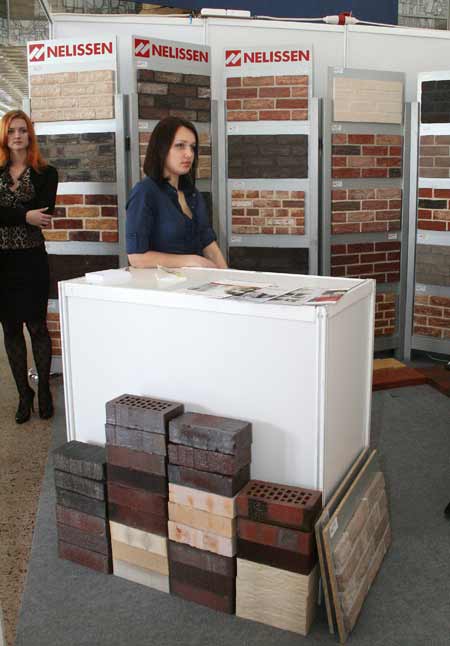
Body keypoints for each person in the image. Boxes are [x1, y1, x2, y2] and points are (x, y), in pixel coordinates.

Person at [0, 110, 58, 423]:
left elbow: (45, 213)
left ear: (30, 135)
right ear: (4, 136)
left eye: (22, 130)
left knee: (37, 326)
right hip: (2, 262)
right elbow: (32, 215)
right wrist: (25, 215)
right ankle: (25, 394)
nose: (17, 136)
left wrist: (8, 213)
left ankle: (44, 389)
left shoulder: (46, 173)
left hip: (32, 259)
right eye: (11, 131)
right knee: (10, 329)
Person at [126, 116, 227, 270]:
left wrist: (228, 280)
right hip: (160, 283)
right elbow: (137, 258)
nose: (189, 154)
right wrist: (193, 260)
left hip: (197, 281)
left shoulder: (193, 194)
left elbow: (209, 246)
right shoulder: (144, 192)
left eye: (192, 147)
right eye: (180, 146)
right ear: (161, 149)